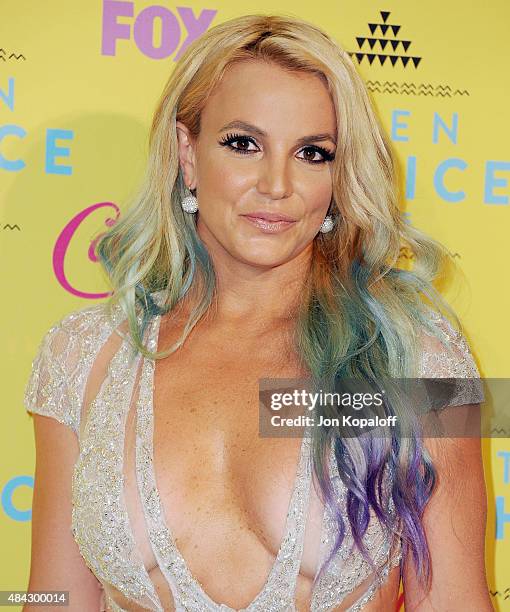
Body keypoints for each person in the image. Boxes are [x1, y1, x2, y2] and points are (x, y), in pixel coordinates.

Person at [23, 13, 492, 612]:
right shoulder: (82, 357)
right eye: (243, 144)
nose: (277, 185)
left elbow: (454, 601)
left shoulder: (412, 354)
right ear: (186, 154)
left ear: (338, 174)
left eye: (312, 153)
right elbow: (53, 597)